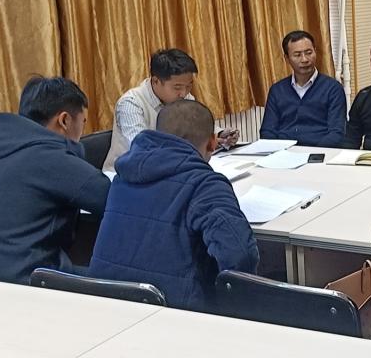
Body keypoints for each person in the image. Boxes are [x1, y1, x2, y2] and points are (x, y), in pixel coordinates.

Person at [89, 99, 259, 312]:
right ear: (212, 143)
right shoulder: (205, 184)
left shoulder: (123, 176)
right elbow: (240, 255)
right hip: (174, 312)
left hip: (106, 305)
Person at [0, 76, 110, 284]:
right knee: (119, 281)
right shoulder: (54, 158)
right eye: (83, 122)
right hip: (17, 284)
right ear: (64, 120)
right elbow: (114, 202)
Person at [103, 48, 237, 172]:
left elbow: (197, 125)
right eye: (177, 87)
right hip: (129, 175)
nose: (183, 93)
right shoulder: (131, 103)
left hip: (170, 169)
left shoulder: (184, 97)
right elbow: (143, 148)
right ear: (155, 81)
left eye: (189, 86)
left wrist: (217, 135)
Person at [259, 30, 346, 147]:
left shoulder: (333, 88)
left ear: (315, 52)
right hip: (284, 152)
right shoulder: (277, 90)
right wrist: (276, 151)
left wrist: (314, 153)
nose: (304, 59)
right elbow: (268, 131)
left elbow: (337, 133)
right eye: (297, 55)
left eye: (309, 53)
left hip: (320, 151)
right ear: (287, 58)